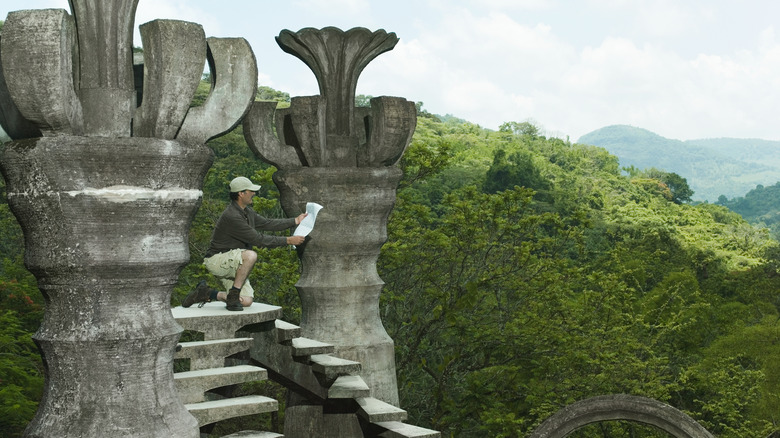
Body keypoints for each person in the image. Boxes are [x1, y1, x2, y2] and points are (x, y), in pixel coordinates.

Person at [182, 176, 307, 311]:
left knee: (246, 301)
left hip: (233, 261)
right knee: (250, 255)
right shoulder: (232, 216)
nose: (254, 193)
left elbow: (267, 223)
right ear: (241, 194)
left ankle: (206, 293)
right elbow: (258, 239)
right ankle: (234, 294)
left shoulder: (247, 212)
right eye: (250, 191)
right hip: (217, 260)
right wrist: (288, 240)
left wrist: (295, 220)